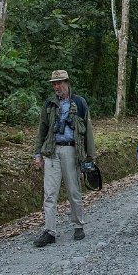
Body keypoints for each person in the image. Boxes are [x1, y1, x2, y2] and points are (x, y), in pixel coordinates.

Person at [33, 70, 96, 247]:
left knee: (73, 191)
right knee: (50, 194)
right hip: (52, 151)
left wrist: (90, 157)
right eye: (54, 83)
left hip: (71, 151)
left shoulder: (80, 103)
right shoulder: (49, 104)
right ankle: (50, 231)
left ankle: (78, 225)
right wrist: (38, 154)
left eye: (59, 82)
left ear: (67, 82)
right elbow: (42, 130)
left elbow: (88, 131)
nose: (56, 86)